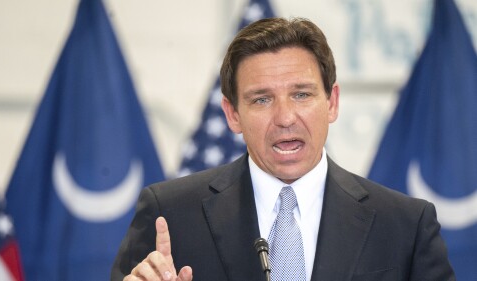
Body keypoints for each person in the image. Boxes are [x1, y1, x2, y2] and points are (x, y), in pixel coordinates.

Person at [111, 17, 455, 281]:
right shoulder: (170, 215)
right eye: (261, 99)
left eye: (302, 94)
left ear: (332, 103)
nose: (285, 117)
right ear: (233, 114)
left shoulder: (405, 225)